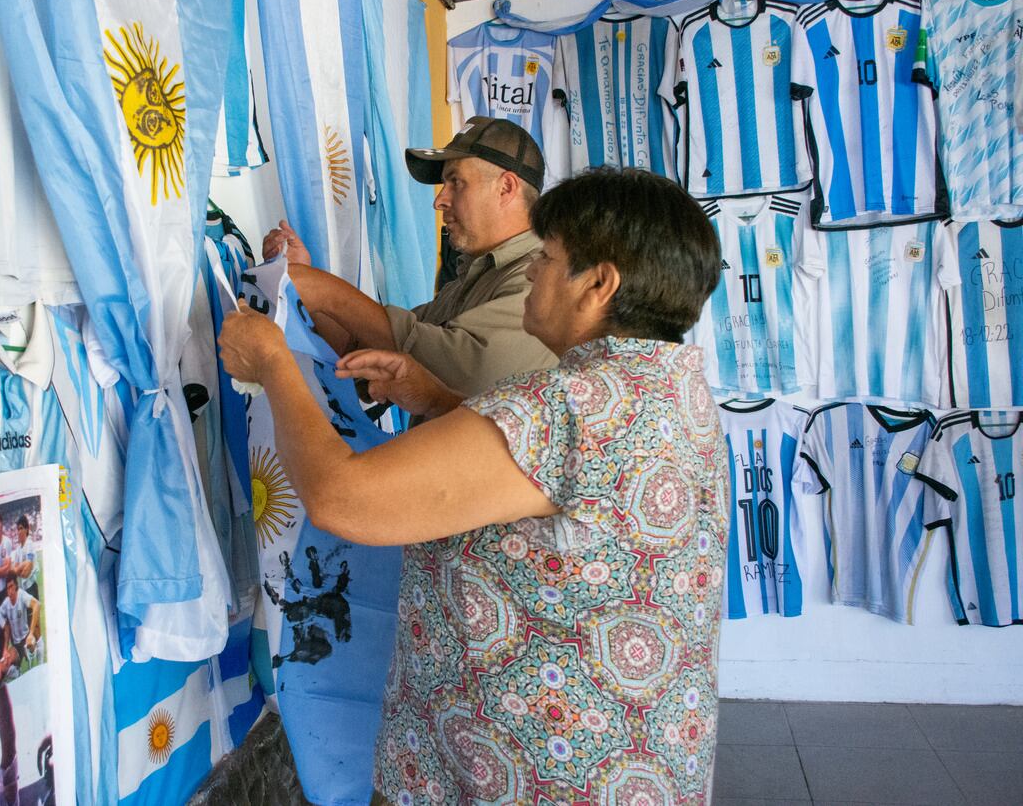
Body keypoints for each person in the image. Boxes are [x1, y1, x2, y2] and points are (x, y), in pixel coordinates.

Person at [219, 167, 730, 804]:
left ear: (599, 284)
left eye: (547, 258)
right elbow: (549, 489)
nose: (534, 274)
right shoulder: (668, 392)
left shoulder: (569, 407)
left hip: (539, 774)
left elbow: (341, 498)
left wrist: (271, 362)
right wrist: (440, 403)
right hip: (627, 759)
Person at [262, 115, 556, 410]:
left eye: (456, 182)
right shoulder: (471, 280)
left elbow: (466, 370)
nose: (439, 200)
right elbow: (362, 351)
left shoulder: (537, 278)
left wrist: (328, 292)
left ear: (505, 187)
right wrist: (304, 283)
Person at [0, 575, 40, 668]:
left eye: (12, 586)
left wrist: (31, 633)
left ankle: (37, 665)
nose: (10, 590)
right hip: (16, 644)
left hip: (26, 637)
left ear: (16, 586)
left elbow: (36, 604)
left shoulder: (21, 595)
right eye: (8, 588)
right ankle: (16, 672)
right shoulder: (6, 603)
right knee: (5, 663)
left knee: (32, 644)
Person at [10, 515, 38, 600]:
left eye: (21, 528)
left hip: (31, 587)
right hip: (22, 590)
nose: (19, 532)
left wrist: (18, 568)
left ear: (26, 529)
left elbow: (26, 573)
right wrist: (22, 566)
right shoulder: (18, 549)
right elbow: (14, 571)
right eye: (18, 529)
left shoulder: (29, 544)